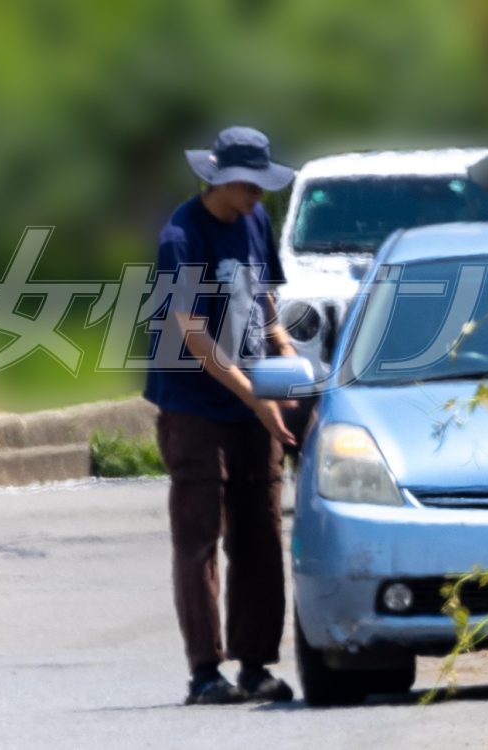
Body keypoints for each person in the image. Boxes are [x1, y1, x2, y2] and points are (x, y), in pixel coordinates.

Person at [144, 126, 299, 705]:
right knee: (200, 537)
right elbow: (193, 336)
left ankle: (256, 664)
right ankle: (205, 672)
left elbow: (264, 301)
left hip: (252, 400)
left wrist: (284, 351)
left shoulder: (256, 223)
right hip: (195, 408)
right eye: (251, 187)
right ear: (222, 180)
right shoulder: (180, 237)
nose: (261, 197)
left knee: (260, 533)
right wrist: (253, 398)